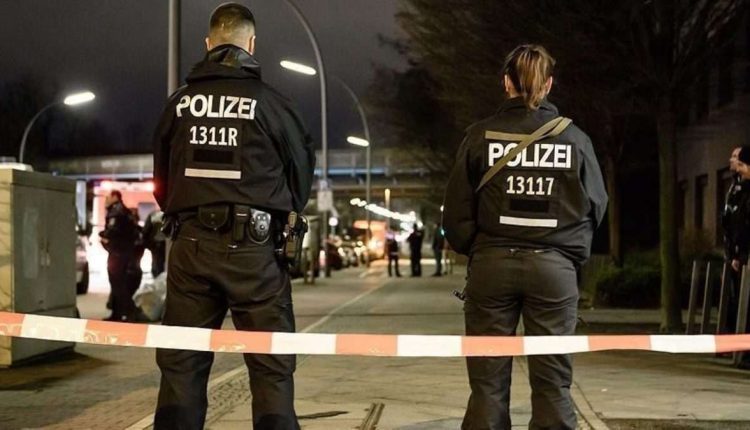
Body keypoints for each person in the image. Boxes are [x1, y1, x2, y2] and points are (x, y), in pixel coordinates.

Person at [151, 4, 315, 429]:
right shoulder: (274, 105)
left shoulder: (179, 104)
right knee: (271, 366)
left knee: (181, 366)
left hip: (190, 249)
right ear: (251, 45)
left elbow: (161, 182)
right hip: (256, 256)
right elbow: (300, 179)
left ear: (208, 44)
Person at [443, 44, 608, 430]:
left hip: (492, 268)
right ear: (548, 84)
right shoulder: (575, 139)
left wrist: (479, 248)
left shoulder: (480, 136)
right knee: (553, 385)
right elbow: (596, 205)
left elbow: (455, 210)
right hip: (553, 270)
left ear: (506, 83)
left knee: (487, 385)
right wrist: (569, 253)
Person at [723, 146, 750, 367]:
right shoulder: (737, 187)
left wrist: (740, 253)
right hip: (737, 252)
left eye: (741, 164)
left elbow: (744, 224)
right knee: (738, 301)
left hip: (744, 254)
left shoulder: (745, 191)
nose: (738, 168)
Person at [99, 190, 140, 322]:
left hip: (117, 252)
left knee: (117, 283)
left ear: (115, 197)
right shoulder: (125, 211)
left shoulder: (116, 211)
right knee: (118, 283)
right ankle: (117, 313)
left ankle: (129, 311)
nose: (106, 200)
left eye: (108, 197)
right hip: (124, 251)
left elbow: (113, 230)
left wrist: (105, 236)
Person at [142, 210, 167, 277]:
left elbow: (146, 230)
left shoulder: (153, 215)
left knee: (156, 262)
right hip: (164, 242)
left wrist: (147, 243)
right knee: (161, 262)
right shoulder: (169, 214)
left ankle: (156, 276)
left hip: (156, 242)